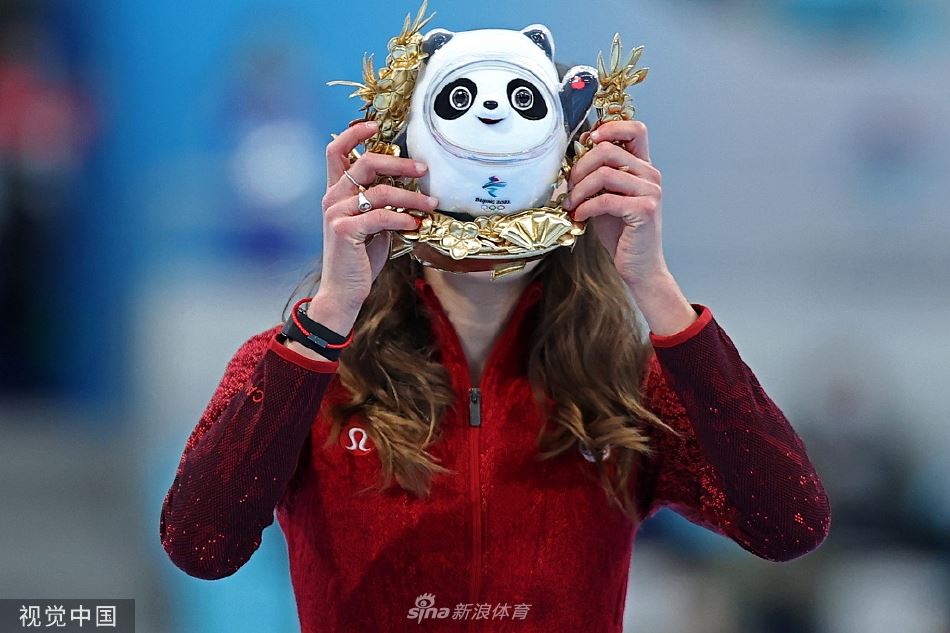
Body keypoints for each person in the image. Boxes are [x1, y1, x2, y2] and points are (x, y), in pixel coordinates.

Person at [159, 116, 831, 632]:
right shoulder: (307, 367)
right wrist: (330, 312)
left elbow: (788, 523)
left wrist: (653, 283)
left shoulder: (624, 379)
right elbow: (199, 545)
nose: (486, 194)